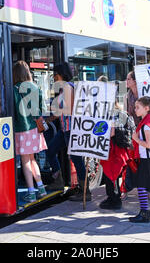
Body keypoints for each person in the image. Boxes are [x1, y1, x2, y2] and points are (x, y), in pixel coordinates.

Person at [45, 63, 89, 201]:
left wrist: (51, 117)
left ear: (61, 74)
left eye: (55, 75)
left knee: (77, 160)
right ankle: (58, 181)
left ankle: (85, 191)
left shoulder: (67, 87)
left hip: (71, 129)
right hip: (66, 129)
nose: (54, 78)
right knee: (50, 150)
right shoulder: (67, 88)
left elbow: (68, 110)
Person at [12, 60, 48, 202]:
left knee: (25, 161)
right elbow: (43, 109)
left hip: (22, 129)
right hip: (34, 129)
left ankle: (31, 192)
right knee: (33, 159)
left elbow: (13, 110)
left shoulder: (15, 89)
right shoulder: (35, 87)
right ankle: (41, 188)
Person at [99, 86, 134, 210]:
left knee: (110, 175)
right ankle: (113, 197)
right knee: (114, 175)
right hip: (119, 148)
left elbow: (111, 132)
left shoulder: (110, 113)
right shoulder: (121, 112)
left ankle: (114, 200)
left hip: (112, 149)